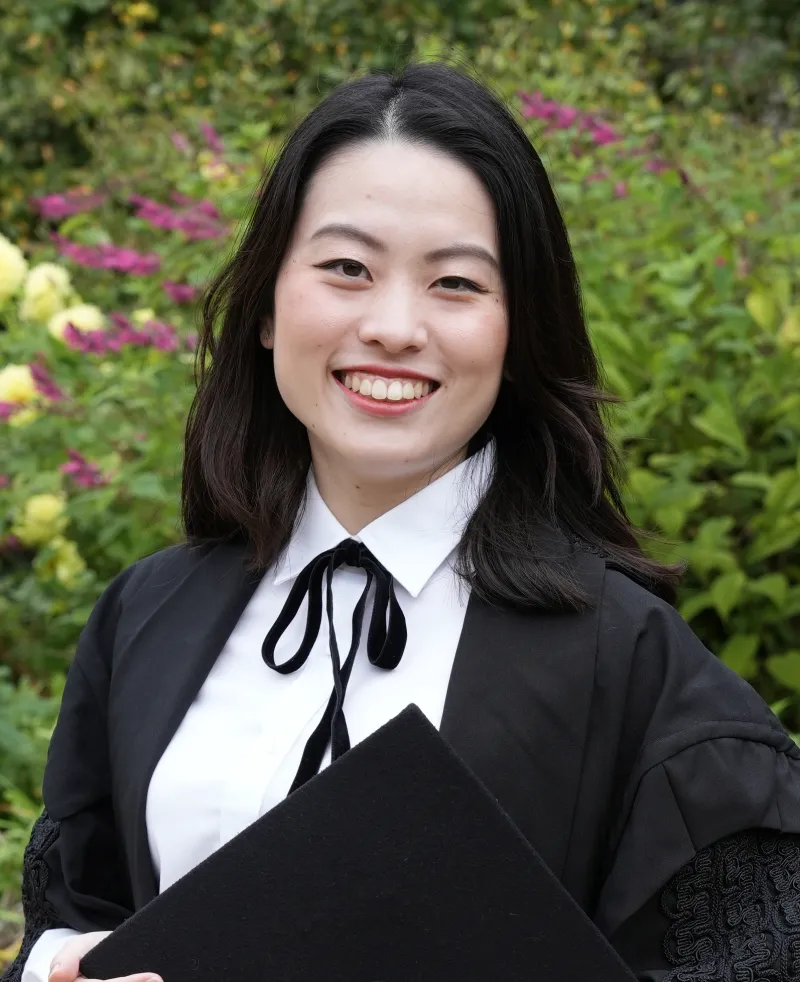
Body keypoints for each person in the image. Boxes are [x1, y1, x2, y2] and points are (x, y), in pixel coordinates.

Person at [5, 60, 800, 982]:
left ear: (519, 330)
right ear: (268, 305)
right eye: (346, 268)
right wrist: (59, 968)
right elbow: (72, 912)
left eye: (456, 284)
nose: (392, 326)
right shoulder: (151, 614)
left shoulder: (627, 662)